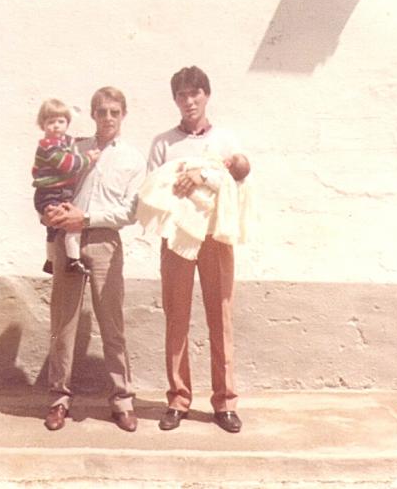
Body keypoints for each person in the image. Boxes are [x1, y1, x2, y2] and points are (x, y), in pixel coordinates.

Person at [147, 66, 251, 433]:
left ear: (206, 95)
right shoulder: (163, 143)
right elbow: (152, 187)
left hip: (214, 236)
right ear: (175, 99)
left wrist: (205, 174)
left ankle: (225, 402)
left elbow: (240, 176)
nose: (189, 101)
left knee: (220, 316)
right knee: (176, 316)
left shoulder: (225, 139)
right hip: (177, 236)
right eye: (182, 94)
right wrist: (178, 182)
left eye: (195, 93)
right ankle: (178, 399)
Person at [41, 87, 146, 433]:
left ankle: (122, 400)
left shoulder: (132, 158)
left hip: (104, 242)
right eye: (102, 112)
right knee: (64, 323)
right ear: (93, 114)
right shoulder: (74, 148)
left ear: (123, 114)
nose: (108, 118)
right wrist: (48, 212)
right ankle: (59, 398)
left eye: (115, 112)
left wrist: (86, 218)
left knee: (112, 324)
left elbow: (130, 212)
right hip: (67, 239)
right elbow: (49, 184)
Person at [136, 152, 252, 261]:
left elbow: (238, 186)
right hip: (177, 225)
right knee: (176, 274)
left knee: (216, 275)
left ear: (228, 163)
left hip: (214, 233)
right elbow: (157, 174)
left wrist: (204, 175)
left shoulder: (227, 146)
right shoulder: (162, 142)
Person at [32, 98, 100, 275]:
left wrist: (91, 141)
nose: (56, 126)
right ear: (42, 125)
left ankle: (50, 261)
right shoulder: (48, 147)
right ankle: (73, 260)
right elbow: (68, 164)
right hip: (50, 194)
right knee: (70, 223)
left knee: (53, 230)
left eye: (60, 121)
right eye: (50, 122)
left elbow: (74, 142)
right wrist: (88, 158)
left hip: (58, 192)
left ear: (67, 123)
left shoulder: (64, 141)